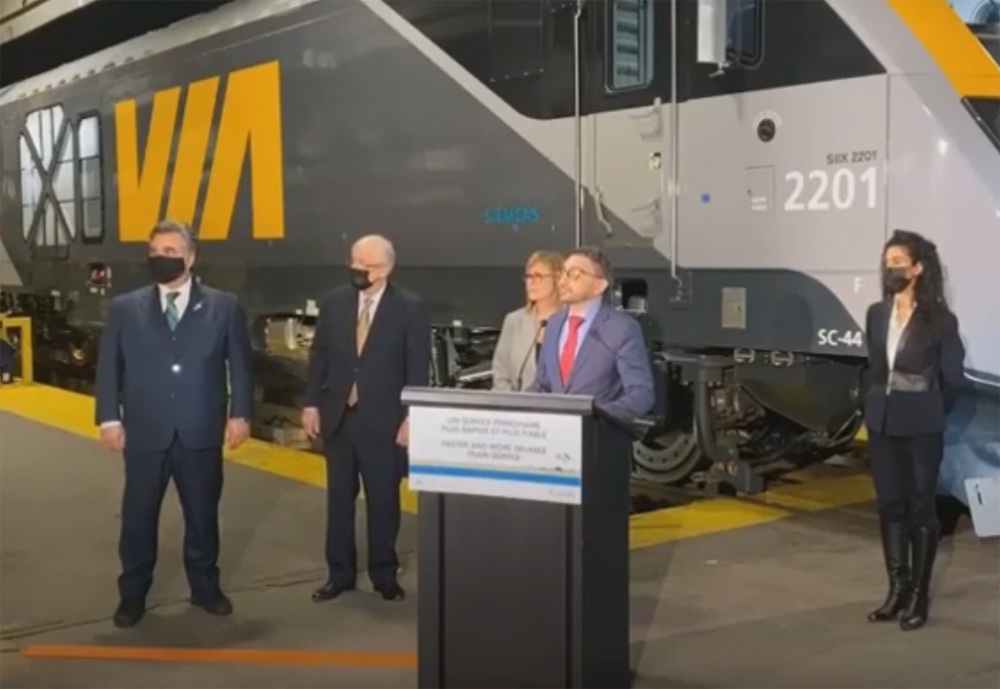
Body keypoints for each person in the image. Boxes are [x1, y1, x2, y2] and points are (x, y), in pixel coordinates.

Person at [94, 220, 253, 629]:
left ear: (191, 256)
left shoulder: (224, 306)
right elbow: (109, 367)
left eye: (170, 250)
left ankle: (205, 587)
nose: (161, 258)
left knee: (202, 514)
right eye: (155, 251)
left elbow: (239, 364)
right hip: (145, 432)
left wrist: (240, 414)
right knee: (138, 516)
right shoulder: (124, 308)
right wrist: (109, 417)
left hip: (200, 429)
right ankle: (132, 595)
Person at [302, 234, 431, 603]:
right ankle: (339, 575)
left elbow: (417, 366)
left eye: (367, 265)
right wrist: (312, 404)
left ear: (386, 268)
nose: (358, 270)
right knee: (339, 499)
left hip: (384, 420)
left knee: (383, 500)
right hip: (339, 417)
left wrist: (411, 417)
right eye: (354, 262)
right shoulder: (335, 301)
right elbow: (320, 356)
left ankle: (383, 574)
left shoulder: (409, 308)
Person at [863, 229, 966, 632]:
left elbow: (953, 378)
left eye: (898, 263)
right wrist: (870, 405)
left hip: (922, 423)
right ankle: (896, 593)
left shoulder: (940, 320)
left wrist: (931, 410)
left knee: (921, 508)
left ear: (918, 268)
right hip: (882, 421)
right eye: (887, 263)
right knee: (890, 505)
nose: (891, 270)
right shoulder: (875, 313)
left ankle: (918, 599)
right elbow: (872, 366)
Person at [527, 246, 655, 423]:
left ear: (598, 286)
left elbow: (641, 394)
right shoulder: (553, 323)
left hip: (598, 439)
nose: (563, 282)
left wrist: (595, 416)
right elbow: (541, 385)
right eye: (563, 274)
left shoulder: (622, 329)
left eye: (574, 274)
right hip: (555, 438)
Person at [492, 251, 564, 392]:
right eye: (528, 276)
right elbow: (500, 372)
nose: (531, 282)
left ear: (558, 278)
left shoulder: (571, 322)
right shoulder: (514, 321)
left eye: (538, 276)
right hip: (517, 408)